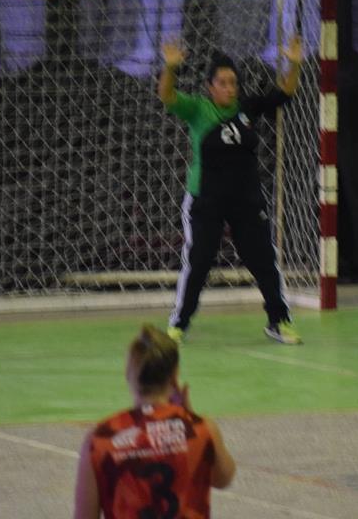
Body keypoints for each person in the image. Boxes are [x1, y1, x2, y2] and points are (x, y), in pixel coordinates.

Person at [158, 36, 305, 345]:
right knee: (199, 262)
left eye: (233, 83)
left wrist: (294, 63)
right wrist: (170, 68)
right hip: (206, 199)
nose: (229, 88)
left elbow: (286, 92)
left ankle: (278, 321)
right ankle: (179, 324)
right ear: (210, 87)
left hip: (246, 200)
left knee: (264, 260)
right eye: (222, 83)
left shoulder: (247, 108)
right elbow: (167, 95)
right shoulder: (198, 110)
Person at [73, 324, 236, 519]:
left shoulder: (101, 438)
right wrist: (188, 415)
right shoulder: (202, 428)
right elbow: (224, 478)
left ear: (129, 373)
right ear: (174, 376)